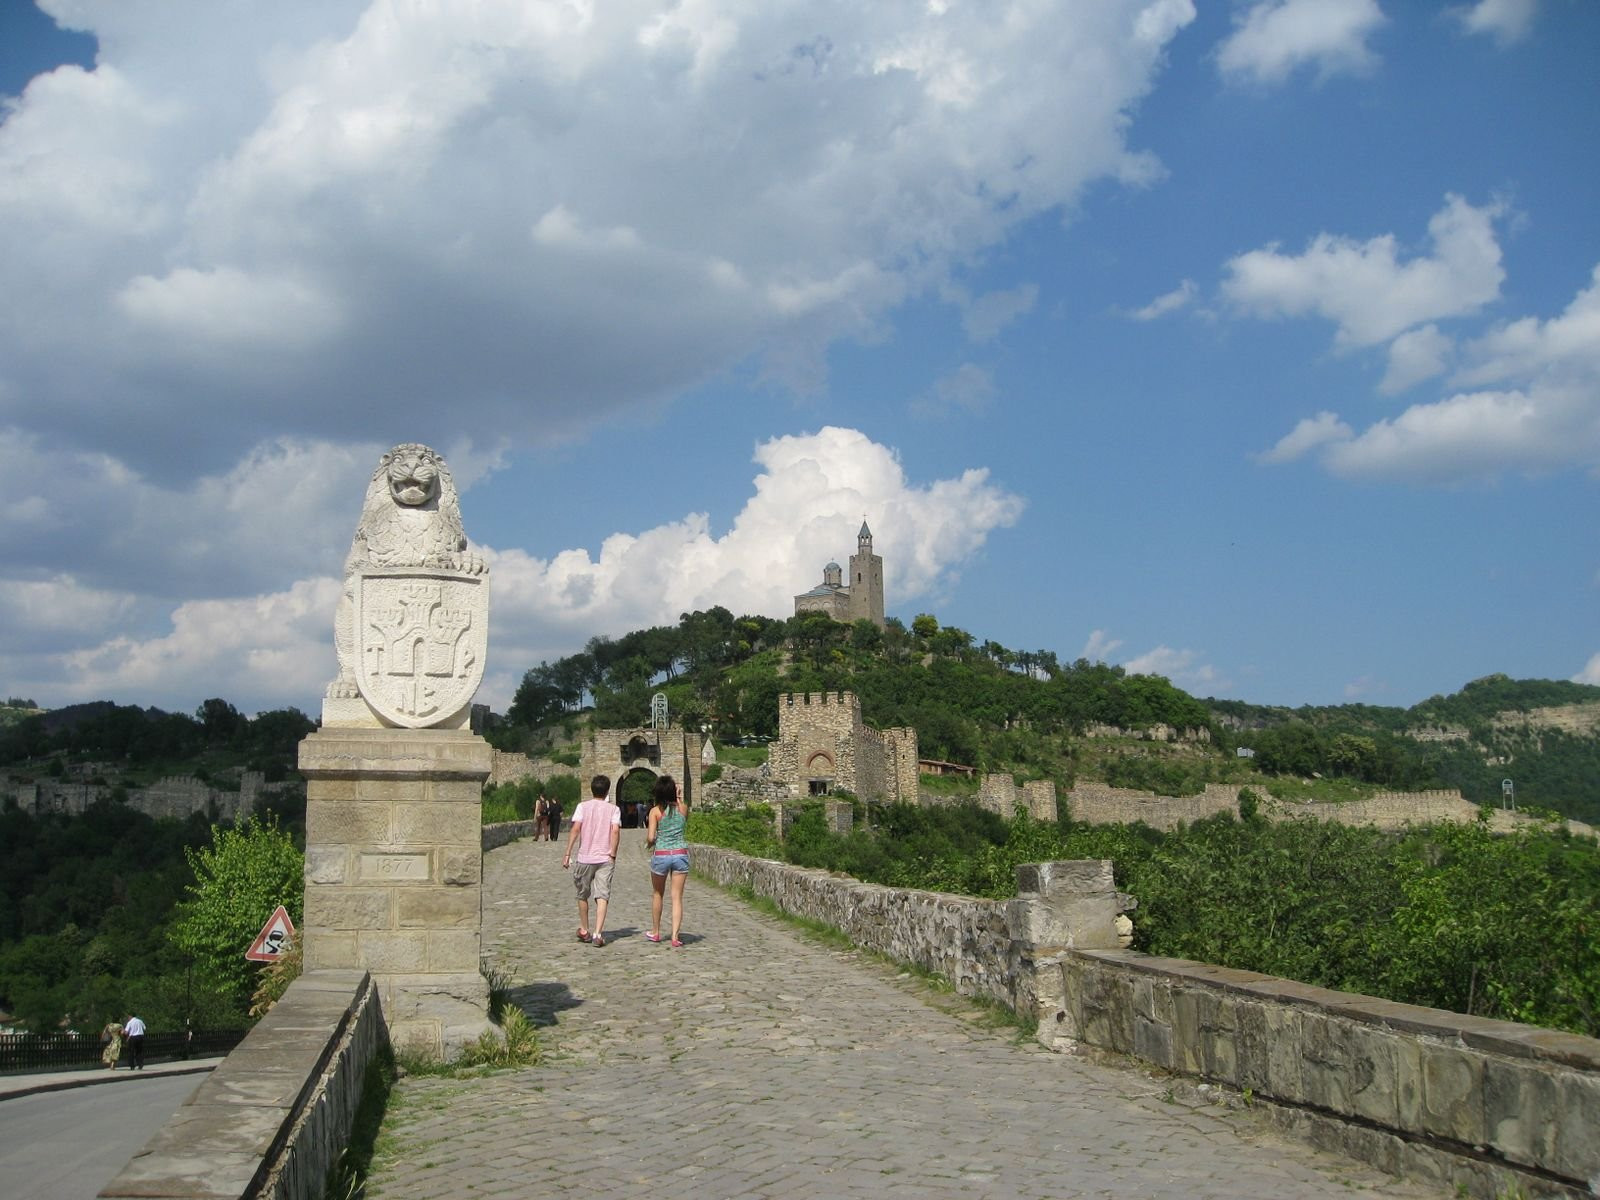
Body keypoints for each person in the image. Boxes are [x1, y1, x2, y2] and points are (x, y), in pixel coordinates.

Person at [562, 775, 620, 947]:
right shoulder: (613, 809)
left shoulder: (582, 807)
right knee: (602, 895)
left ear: (591, 789)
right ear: (607, 790)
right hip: (605, 858)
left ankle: (585, 929)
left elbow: (575, 829)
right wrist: (613, 854)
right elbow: (615, 831)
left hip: (584, 857)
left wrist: (567, 853)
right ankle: (598, 933)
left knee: (582, 894)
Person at [645, 774, 690, 947]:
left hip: (662, 854)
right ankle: (675, 937)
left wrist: (651, 843)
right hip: (680, 854)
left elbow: (650, 837)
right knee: (677, 897)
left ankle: (655, 932)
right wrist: (678, 797)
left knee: (658, 894)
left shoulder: (655, 811)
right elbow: (681, 811)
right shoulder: (683, 809)